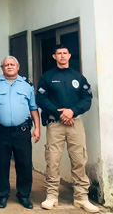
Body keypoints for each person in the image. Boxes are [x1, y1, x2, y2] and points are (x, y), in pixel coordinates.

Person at [36, 45, 99, 213]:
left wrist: (72, 111)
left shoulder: (78, 77)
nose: (62, 56)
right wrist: (60, 115)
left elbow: (87, 99)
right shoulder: (48, 77)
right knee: (53, 160)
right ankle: (51, 197)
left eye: (65, 53)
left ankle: (81, 198)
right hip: (55, 124)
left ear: (69, 56)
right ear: (54, 56)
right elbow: (41, 99)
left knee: (79, 159)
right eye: (59, 54)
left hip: (75, 123)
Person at [0, 56, 40, 210]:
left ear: (18, 66)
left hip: (22, 131)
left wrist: (38, 128)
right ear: (2, 68)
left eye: (12, 64)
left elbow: (33, 108)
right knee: (2, 164)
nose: (9, 67)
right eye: (6, 65)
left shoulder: (27, 85)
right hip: (1, 132)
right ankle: (2, 195)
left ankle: (24, 195)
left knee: (25, 164)